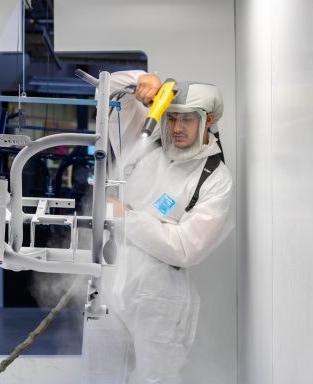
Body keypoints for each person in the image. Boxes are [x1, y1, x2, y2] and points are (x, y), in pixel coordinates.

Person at [81, 70, 233, 384]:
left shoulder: (215, 179)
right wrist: (142, 79)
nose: (176, 128)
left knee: (156, 379)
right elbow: (106, 90)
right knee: (100, 375)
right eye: (171, 117)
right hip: (109, 281)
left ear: (208, 121)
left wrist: (126, 216)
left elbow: (185, 248)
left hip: (160, 296)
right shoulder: (146, 140)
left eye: (187, 120)